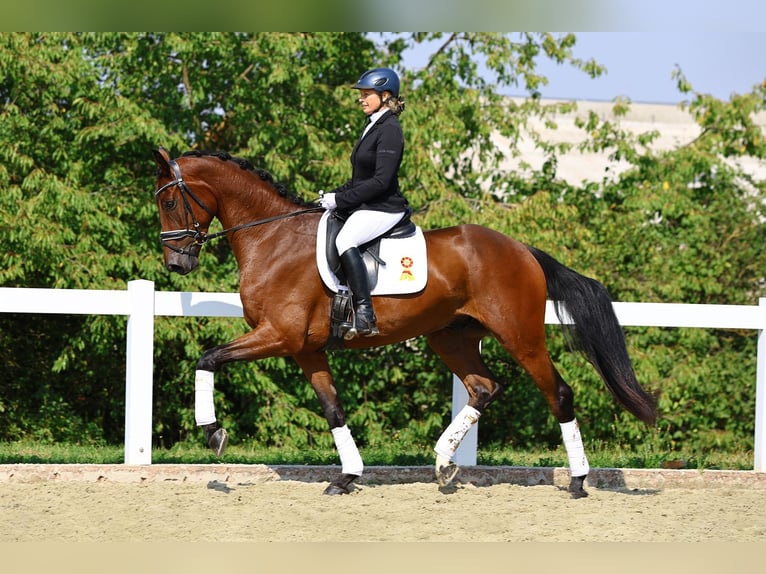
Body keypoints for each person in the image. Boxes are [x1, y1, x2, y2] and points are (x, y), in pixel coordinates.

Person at [319, 67, 409, 338]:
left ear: (385, 95)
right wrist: (332, 197)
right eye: (361, 94)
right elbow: (360, 178)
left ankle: (364, 312)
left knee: (345, 240)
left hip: (385, 207)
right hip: (368, 203)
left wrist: (342, 199)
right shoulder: (372, 125)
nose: (361, 98)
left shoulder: (390, 129)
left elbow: (380, 182)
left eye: (366, 94)